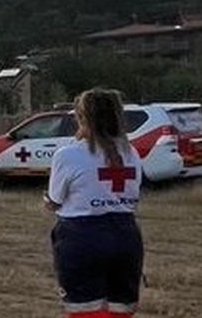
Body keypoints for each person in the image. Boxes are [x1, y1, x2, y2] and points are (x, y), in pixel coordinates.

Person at [45, 89, 144, 318]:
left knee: (86, 312)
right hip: (125, 235)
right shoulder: (132, 153)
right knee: (121, 311)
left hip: (82, 237)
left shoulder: (68, 155)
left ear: (82, 118)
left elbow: (55, 200)